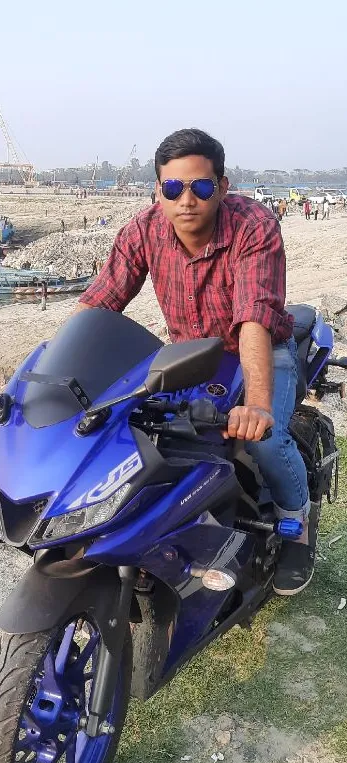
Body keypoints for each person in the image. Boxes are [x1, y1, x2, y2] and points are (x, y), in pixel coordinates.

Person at [76, 127, 313, 597]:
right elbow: (98, 306)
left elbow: (253, 320)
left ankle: (295, 523)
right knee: (141, 428)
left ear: (222, 187)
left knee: (266, 439)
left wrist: (259, 407)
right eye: (172, 188)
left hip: (264, 345)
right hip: (191, 351)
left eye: (201, 186)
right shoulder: (142, 231)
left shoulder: (253, 225)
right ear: (158, 192)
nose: (187, 199)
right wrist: (51, 375)